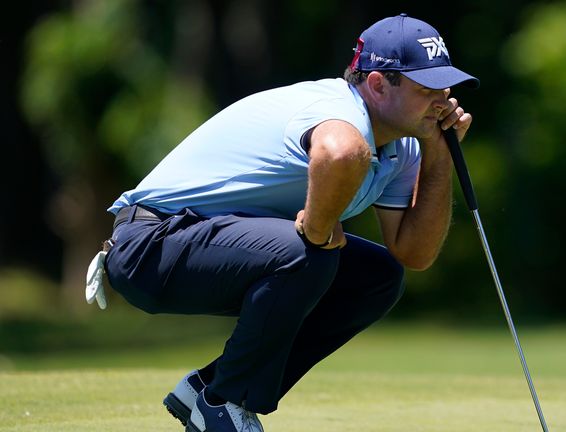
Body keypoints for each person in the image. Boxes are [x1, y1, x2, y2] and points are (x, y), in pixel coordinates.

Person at [94, 13, 478, 432]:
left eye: (444, 88)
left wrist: (439, 153)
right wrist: (318, 226)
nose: (442, 100)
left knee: (378, 276)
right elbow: (340, 153)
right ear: (379, 85)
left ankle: (209, 388)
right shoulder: (336, 109)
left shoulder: (403, 146)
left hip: (206, 244)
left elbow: (414, 254)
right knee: (307, 253)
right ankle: (225, 404)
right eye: (426, 89)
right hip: (151, 244)